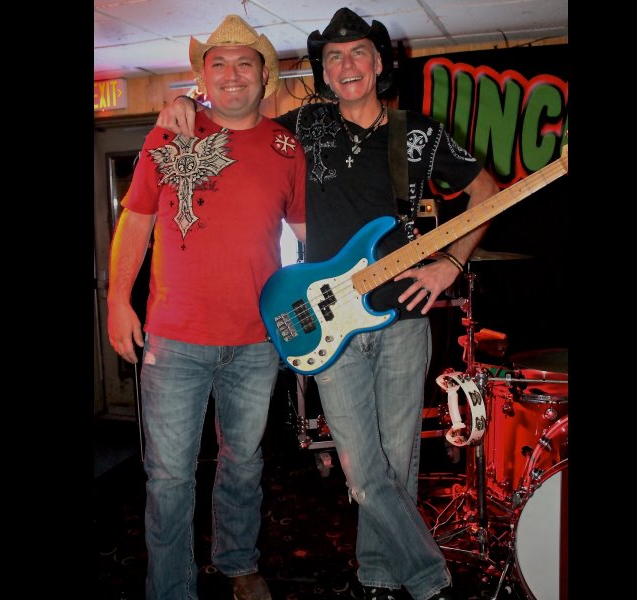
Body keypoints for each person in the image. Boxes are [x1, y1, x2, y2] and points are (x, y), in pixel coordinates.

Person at [157, 8, 500, 600]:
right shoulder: (303, 126)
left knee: (397, 462)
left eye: (358, 52)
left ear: (379, 62)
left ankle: (378, 577)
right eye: (334, 56)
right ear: (324, 69)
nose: (347, 64)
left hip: (402, 317)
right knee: (363, 470)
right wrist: (186, 102)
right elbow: (238, 113)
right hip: (329, 320)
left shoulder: (416, 133)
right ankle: (431, 580)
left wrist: (450, 262)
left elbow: (486, 191)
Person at [107, 14, 307, 600]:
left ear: (265, 77)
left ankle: (238, 562)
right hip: (174, 340)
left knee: (243, 463)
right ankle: (172, 589)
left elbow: (307, 241)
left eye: (245, 62)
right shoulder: (169, 136)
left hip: (256, 340)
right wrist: (118, 299)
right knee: (169, 476)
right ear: (202, 77)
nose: (232, 73)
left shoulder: (287, 148)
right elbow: (136, 221)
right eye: (218, 63)